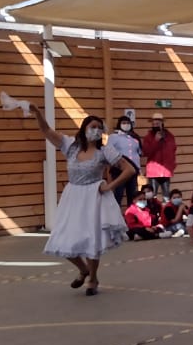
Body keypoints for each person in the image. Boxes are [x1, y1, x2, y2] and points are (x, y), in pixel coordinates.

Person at [35, 111, 134, 295]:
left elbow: (129, 170)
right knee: (63, 238)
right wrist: (36, 112)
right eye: (92, 126)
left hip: (93, 197)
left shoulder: (105, 150)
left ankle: (93, 278)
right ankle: (83, 269)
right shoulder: (71, 145)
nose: (96, 130)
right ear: (84, 128)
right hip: (73, 197)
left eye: (99, 127)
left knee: (91, 239)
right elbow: (46, 130)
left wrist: (109, 186)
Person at [107, 115, 142, 206]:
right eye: (123, 123)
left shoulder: (134, 137)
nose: (126, 125)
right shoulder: (114, 137)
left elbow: (139, 153)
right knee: (118, 194)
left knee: (132, 195)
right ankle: (115, 214)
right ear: (119, 124)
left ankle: (131, 213)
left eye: (128, 123)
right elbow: (109, 152)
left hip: (133, 170)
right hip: (119, 170)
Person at [141, 112, 177, 196]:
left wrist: (173, 165)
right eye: (154, 124)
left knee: (166, 197)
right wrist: (156, 140)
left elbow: (173, 150)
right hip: (153, 172)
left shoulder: (170, 136)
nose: (155, 125)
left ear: (162, 124)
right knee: (153, 196)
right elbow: (146, 152)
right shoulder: (148, 137)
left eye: (157, 124)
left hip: (166, 171)